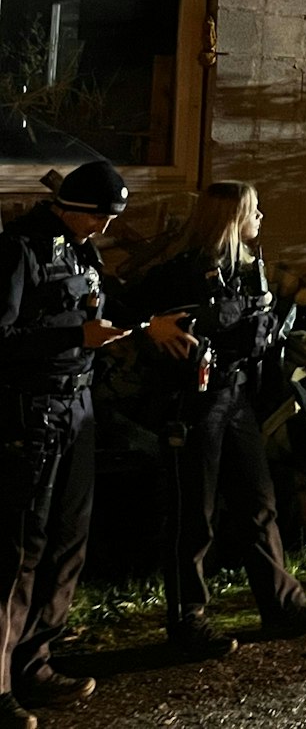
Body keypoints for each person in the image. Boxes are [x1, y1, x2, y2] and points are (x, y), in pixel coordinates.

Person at [133, 182, 306, 657]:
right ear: (231, 217)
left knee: (258, 503)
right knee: (193, 514)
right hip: (194, 402)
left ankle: (281, 606)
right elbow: (129, 310)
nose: (261, 217)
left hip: (237, 396)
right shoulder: (182, 272)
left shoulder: (248, 271)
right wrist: (150, 328)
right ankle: (188, 621)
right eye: (253, 210)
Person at [1, 162, 155, 727]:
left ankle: (35, 663)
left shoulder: (80, 250)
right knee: (21, 550)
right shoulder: (20, 250)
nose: (104, 229)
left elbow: (95, 304)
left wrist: (133, 327)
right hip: (32, 411)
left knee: (69, 541)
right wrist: (75, 336)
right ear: (71, 206)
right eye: (98, 216)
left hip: (77, 405)